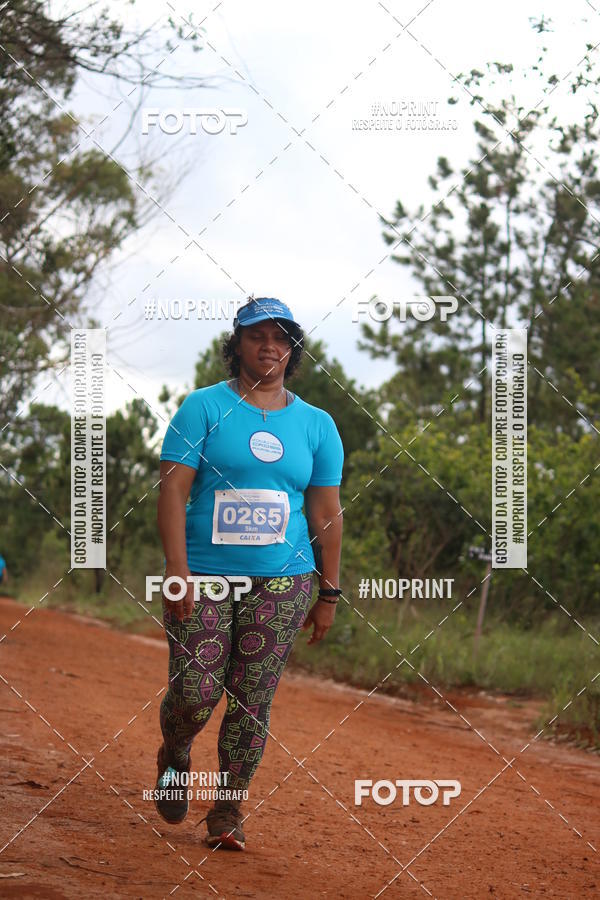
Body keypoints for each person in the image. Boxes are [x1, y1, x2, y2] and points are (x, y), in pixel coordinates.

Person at [154, 297, 344, 850]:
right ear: (236, 344)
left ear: (293, 349)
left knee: (251, 696)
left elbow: (325, 512)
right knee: (195, 690)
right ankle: (175, 752)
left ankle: (228, 809)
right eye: (257, 335)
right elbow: (173, 489)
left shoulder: (317, 424)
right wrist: (176, 569)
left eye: (281, 337)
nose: (269, 346)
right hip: (205, 575)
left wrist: (328, 590)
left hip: (283, 580)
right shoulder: (202, 408)